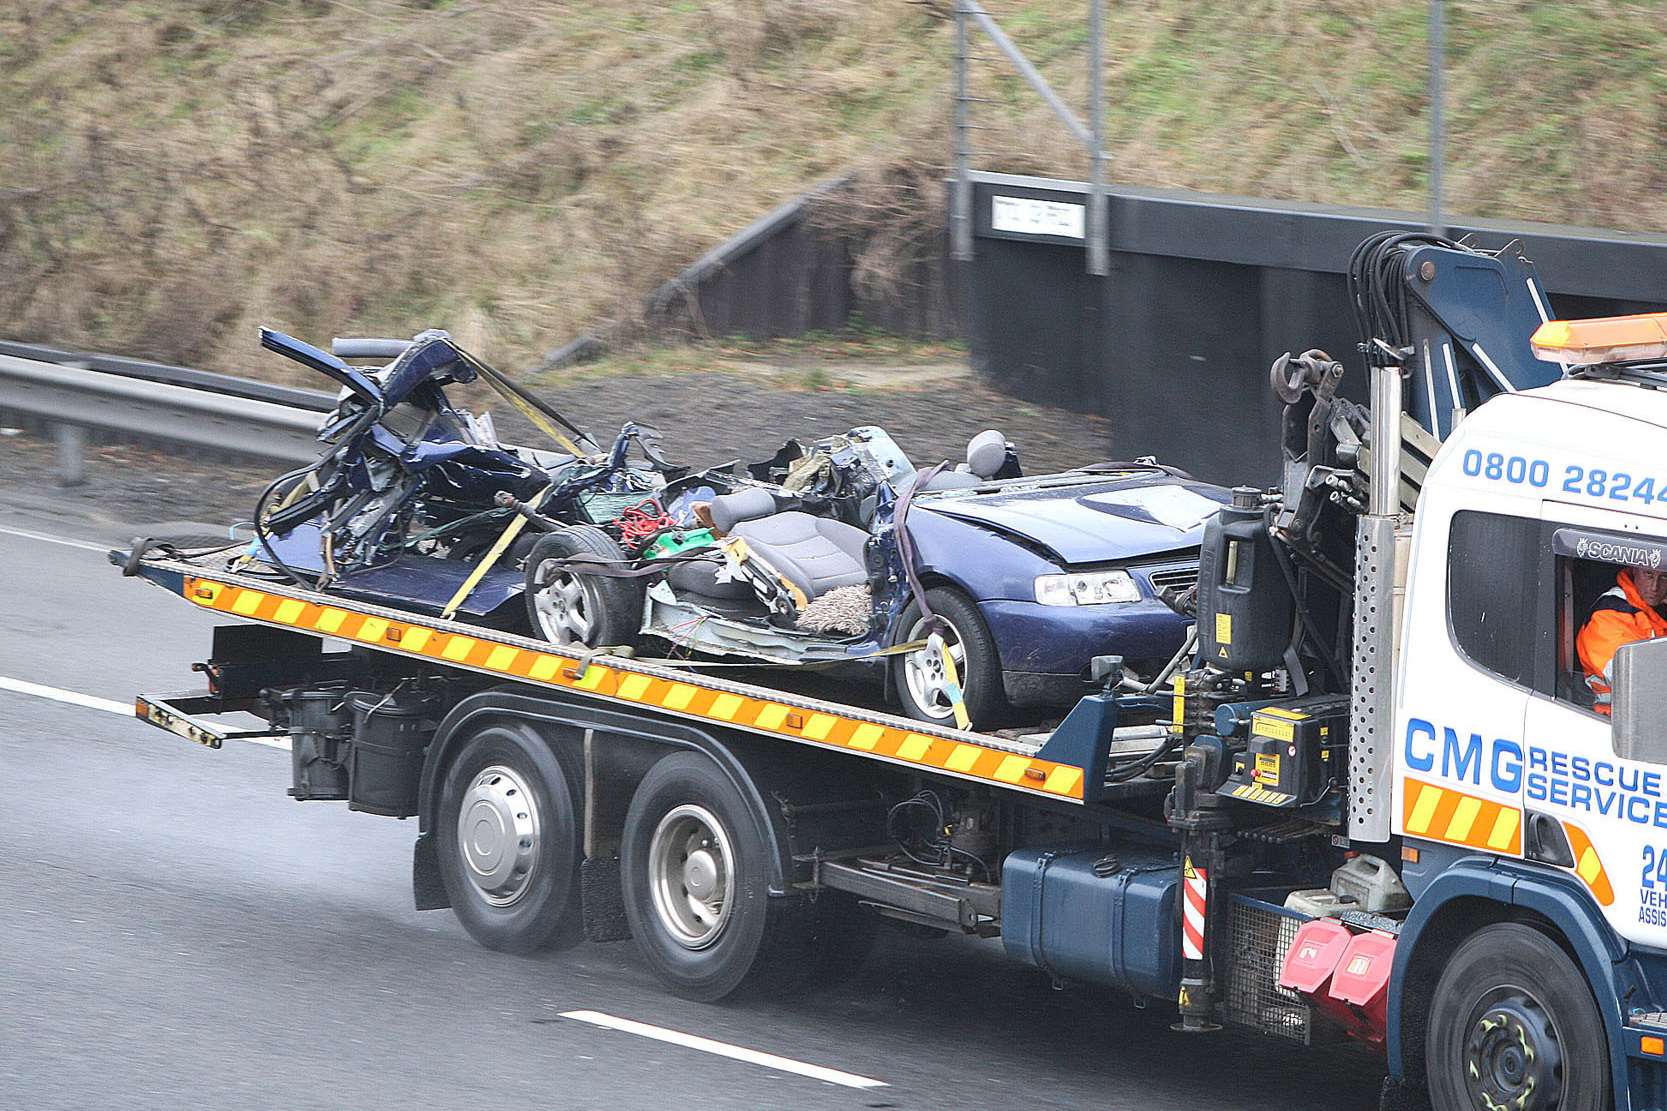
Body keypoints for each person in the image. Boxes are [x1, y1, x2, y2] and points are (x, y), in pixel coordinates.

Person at [1577, 564, 1667, 712]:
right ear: (1634, 570)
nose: (1655, 587)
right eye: (1648, 574)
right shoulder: (1609, 613)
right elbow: (1632, 678)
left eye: (1664, 577)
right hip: (1613, 720)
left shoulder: (1655, 610)